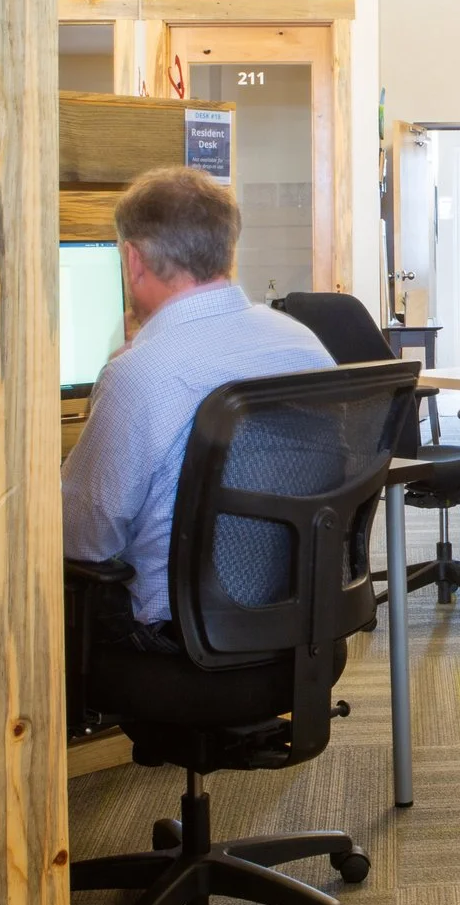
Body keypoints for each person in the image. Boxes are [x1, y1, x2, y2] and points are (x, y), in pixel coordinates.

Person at [62, 164, 334, 645]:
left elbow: (82, 540)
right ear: (229, 250)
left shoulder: (139, 374)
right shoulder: (303, 344)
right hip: (305, 631)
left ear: (133, 260)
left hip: (178, 649)